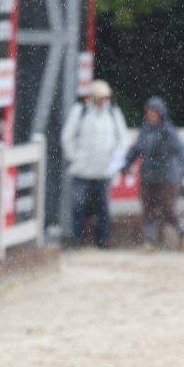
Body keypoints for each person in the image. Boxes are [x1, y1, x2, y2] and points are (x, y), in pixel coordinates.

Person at [61, 80, 128, 247]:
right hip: (82, 170)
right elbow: (67, 137)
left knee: (103, 207)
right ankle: (77, 238)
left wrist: (114, 163)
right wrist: (75, 157)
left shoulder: (113, 113)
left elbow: (123, 140)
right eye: (99, 97)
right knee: (78, 206)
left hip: (104, 170)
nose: (102, 101)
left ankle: (103, 239)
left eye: (104, 97)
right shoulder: (80, 111)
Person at [122, 96, 184, 250]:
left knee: (168, 210)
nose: (151, 115)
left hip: (167, 177)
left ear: (160, 113)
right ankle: (149, 241)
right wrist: (127, 164)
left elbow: (180, 150)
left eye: (154, 112)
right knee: (148, 210)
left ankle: (183, 232)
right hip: (148, 175)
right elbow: (136, 150)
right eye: (149, 112)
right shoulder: (145, 131)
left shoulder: (168, 131)